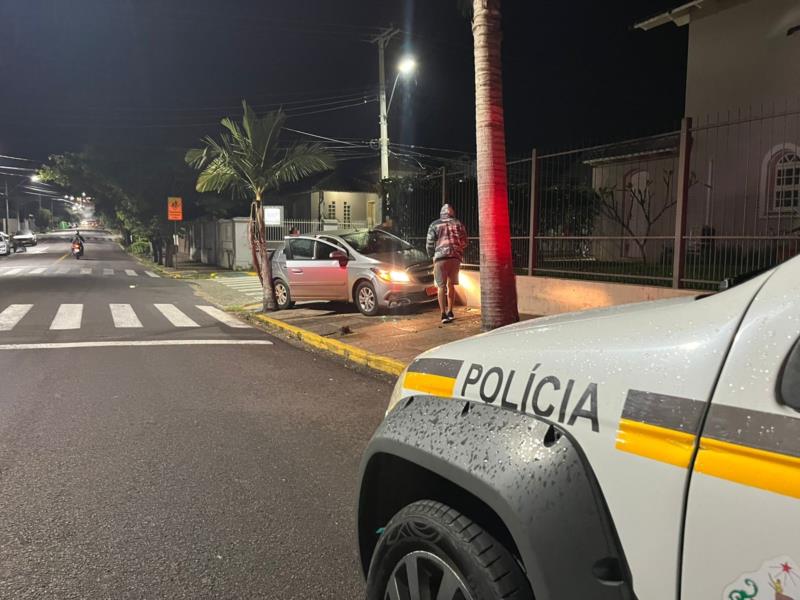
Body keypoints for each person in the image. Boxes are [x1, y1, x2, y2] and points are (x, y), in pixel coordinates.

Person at [426, 204, 468, 324]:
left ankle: (443, 314)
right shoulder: (458, 223)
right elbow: (465, 241)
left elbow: (429, 242)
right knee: (451, 285)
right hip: (455, 258)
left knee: (441, 287)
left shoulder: (434, 224)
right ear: (452, 213)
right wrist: (457, 249)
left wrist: (432, 255)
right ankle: (450, 311)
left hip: (440, 258)